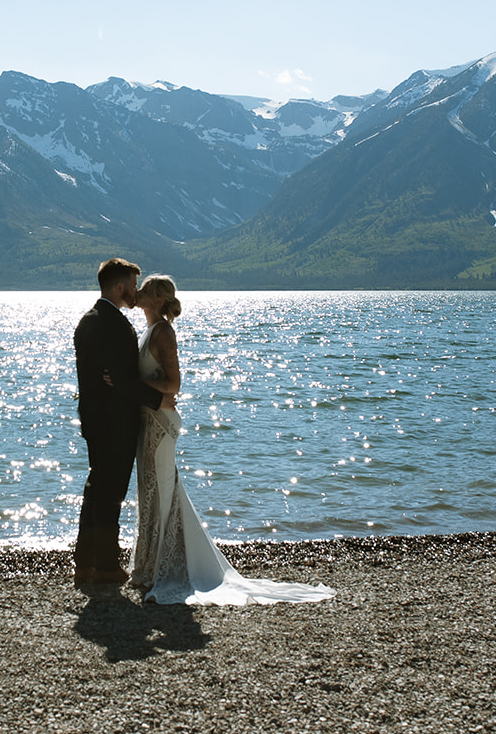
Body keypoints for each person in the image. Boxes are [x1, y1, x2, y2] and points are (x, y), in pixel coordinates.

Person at [128, 275, 335, 608]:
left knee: (161, 489)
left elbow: (174, 385)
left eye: (144, 289)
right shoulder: (149, 330)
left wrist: (133, 382)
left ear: (155, 299)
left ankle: (163, 564)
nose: (136, 293)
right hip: (148, 421)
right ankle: (152, 562)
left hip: (161, 425)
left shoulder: (164, 332)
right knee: (152, 488)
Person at [72, 258, 175, 591]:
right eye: (132, 285)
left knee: (95, 488)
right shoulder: (114, 325)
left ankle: (84, 562)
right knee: (111, 494)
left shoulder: (88, 321)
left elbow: (109, 378)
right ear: (119, 287)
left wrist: (117, 382)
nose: (135, 291)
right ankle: (105, 566)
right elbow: (124, 380)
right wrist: (159, 401)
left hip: (93, 419)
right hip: (115, 422)